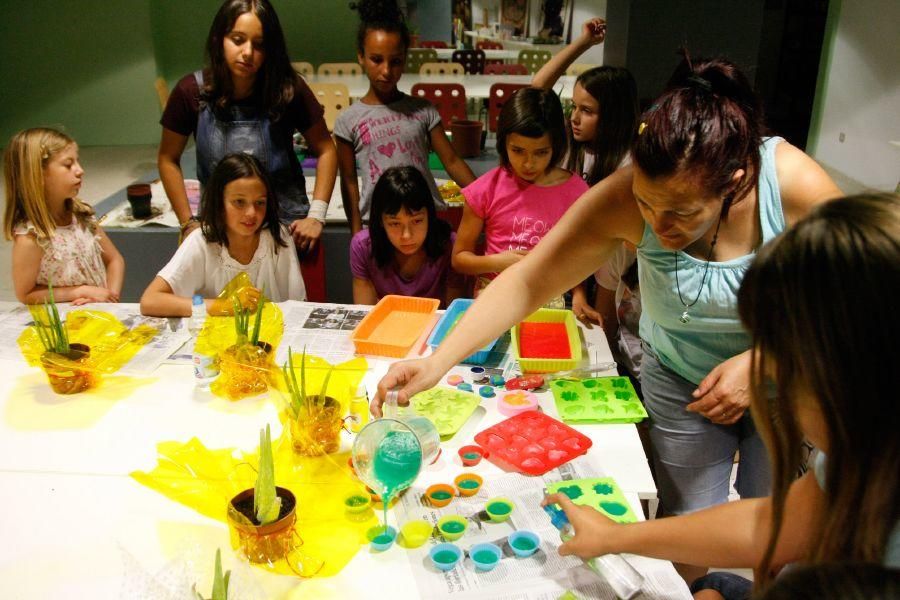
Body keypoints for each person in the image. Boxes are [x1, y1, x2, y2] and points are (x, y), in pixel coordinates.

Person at [374, 53, 842, 581]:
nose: (658, 227)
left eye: (682, 214)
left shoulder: (795, 188)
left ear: (733, 181)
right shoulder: (625, 194)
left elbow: (856, 309)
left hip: (783, 379)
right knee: (694, 521)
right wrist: (438, 362)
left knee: (776, 523)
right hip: (681, 375)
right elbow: (529, 280)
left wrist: (764, 361)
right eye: (646, 206)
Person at [541, 194, 899, 596]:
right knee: (714, 584)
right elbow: (773, 524)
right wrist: (615, 535)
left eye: (784, 363)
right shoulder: (861, 453)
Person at [158, 0, 336, 254]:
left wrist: (317, 215)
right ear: (220, 38)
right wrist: (187, 222)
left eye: (259, 44)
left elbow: (326, 149)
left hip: (285, 230)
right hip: (218, 231)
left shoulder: (288, 89)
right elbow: (167, 157)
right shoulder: (190, 92)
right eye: (238, 39)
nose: (248, 52)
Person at [531, 17, 641, 324]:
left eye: (587, 111)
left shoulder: (629, 163)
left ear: (614, 116)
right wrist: (582, 44)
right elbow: (537, 90)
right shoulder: (567, 143)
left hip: (610, 273)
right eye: (573, 107)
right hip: (566, 265)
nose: (575, 118)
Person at [335, 0, 475, 234]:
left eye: (396, 61)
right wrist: (357, 233)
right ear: (361, 56)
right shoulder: (348, 120)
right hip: (380, 227)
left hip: (425, 220)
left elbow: (451, 161)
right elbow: (348, 180)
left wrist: (488, 198)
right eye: (377, 59)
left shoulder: (423, 110)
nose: (387, 71)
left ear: (405, 59)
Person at [451, 87, 589, 305]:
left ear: (557, 146)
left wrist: (580, 294)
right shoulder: (486, 188)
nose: (528, 163)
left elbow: (576, 255)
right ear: (503, 143)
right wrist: (497, 262)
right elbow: (459, 259)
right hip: (495, 290)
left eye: (541, 152)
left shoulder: (576, 192)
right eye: (518, 151)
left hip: (548, 292)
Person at [140, 153, 305, 317]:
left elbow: (297, 304)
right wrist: (225, 306)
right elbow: (150, 300)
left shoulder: (278, 237)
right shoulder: (201, 241)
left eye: (260, 203)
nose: (251, 213)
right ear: (219, 202)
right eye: (239, 202)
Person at [3, 127, 124, 305]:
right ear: (38, 174)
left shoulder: (82, 216)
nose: (80, 170)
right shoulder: (32, 237)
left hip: (99, 317)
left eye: (78, 162)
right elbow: (26, 294)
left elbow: (115, 260)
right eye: (68, 165)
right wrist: (79, 292)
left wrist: (109, 297)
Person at [351, 166, 463, 307]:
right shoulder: (363, 246)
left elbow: (453, 314)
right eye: (395, 224)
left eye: (417, 221)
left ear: (430, 215)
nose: (407, 235)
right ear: (380, 221)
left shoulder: (449, 245)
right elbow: (365, 312)